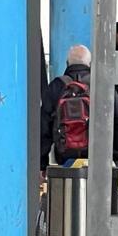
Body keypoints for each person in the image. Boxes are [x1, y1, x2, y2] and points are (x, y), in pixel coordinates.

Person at [39, 45, 93, 173]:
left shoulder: (56, 86)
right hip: (94, 152)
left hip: (64, 153)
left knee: (66, 189)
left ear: (67, 63)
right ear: (90, 64)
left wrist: (42, 164)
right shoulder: (98, 84)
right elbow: (117, 117)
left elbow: (44, 127)